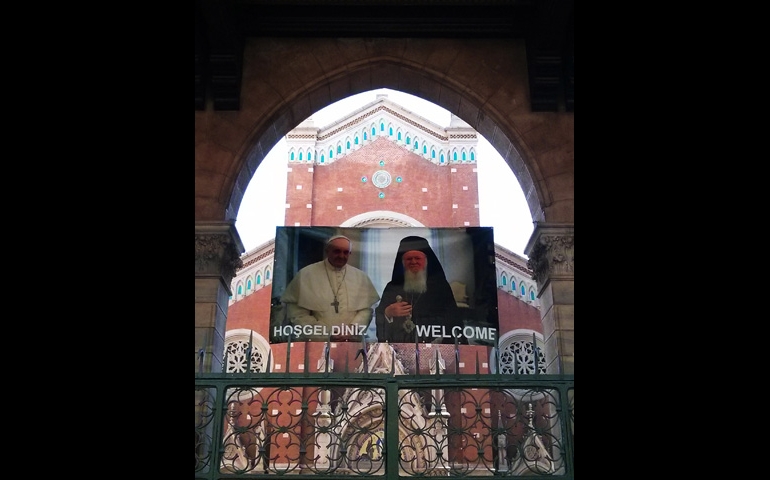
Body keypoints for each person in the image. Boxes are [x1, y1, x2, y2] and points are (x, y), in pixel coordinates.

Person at [280, 235, 380, 341]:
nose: (341, 256)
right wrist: (326, 333)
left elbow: (367, 310)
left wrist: (353, 328)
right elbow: (297, 313)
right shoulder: (306, 274)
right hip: (316, 341)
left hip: (353, 341)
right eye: (337, 251)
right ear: (327, 251)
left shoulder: (361, 277)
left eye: (346, 252)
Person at [375, 236, 466, 344]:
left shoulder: (440, 287)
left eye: (417, 258)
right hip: (398, 346)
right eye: (409, 259)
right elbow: (380, 314)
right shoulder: (392, 287)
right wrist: (387, 313)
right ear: (403, 263)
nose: (413, 262)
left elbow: (453, 319)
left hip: (433, 345)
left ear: (426, 261)